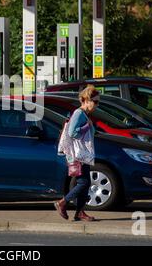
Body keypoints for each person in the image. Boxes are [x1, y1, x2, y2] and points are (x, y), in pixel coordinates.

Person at [55, 85, 100, 222]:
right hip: (76, 155)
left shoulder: (84, 115)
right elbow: (72, 132)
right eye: (95, 101)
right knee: (83, 182)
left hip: (82, 154)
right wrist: (87, 126)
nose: (97, 105)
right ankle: (62, 202)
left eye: (98, 102)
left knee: (85, 182)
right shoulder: (79, 113)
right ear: (86, 100)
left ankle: (80, 212)